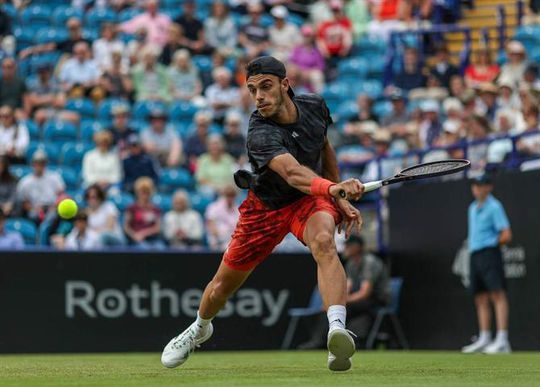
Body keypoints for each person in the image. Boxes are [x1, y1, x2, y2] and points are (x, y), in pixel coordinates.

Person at [161, 56, 364, 372]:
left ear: (285, 84)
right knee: (219, 289)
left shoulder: (315, 107)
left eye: (266, 87)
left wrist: (335, 195)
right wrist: (334, 189)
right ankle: (199, 329)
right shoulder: (259, 132)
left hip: (307, 202)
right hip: (265, 209)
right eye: (252, 89)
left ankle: (336, 329)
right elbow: (294, 174)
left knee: (324, 241)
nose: (259, 96)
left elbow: (324, 148)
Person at [299, 235, 390, 349]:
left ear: (357, 247)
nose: (345, 248)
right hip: (360, 302)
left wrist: (341, 303)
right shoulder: (351, 264)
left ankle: (318, 342)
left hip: (376, 299)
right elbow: (347, 288)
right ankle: (325, 340)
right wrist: (335, 302)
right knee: (333, 308)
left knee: (339, 308)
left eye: (348, 246)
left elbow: (365, 293)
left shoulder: (370, 262)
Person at [462, 174, 512, 354]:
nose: (476, 188)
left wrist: (491, 244)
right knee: (480, 298)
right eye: (474, 185)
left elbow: (506, 234)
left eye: (480, 185)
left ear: (489, 187)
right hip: (475, 255)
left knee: (497, 295)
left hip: (490, 253)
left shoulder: (495, 207)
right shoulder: (472, 208)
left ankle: (502, 340)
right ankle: (484, 338)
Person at [16, 150, 65, 223]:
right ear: (32, 164)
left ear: (45, 164)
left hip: (51, 208)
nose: (39, 166)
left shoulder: (55, 177)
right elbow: (24, 202)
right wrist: (34, 209)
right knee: (33, 215)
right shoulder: (25, 181)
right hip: (35, 209)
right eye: (37, 163)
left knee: (53, 215)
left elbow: (61, 195)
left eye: (42, 163)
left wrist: (54, 206)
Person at [123, 176, 163, 249]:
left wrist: (144, 233)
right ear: (137, 192)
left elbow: (157, 228)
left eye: (147, 192)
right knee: (144, 248)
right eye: (142, 191)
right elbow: (126, 227)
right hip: (136, 240)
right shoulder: (131, 208)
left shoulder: (156, 209)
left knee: (160, 247)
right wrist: (134, 235)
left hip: (153, 239)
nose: (145, 195)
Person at [289, 25, 325, 94]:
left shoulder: (316, 51)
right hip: (297, 74)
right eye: (304, 35)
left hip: (309, 74)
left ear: (312, 37)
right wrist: (299, 71)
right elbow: (292, 63)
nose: (306, 38)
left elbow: (320, 67)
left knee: (317, 76)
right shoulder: (297, 49)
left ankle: (318, 97)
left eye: (308, 35)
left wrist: (308, 72)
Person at [204, 184, 239, 251]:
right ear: (223, 195)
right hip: (217, 244)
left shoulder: (238, 210)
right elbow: (212, 228)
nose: (230, 198)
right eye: (228, 195)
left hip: (233, 244)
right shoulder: (213, 207)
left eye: (232, 195)